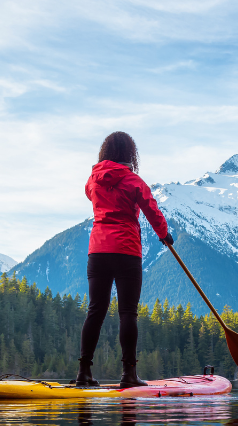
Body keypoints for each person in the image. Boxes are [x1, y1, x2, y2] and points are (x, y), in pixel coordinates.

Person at [75, 131, 173, 388]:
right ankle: (128, 374)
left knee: (95, 310)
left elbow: (91, 194)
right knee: (127, 312)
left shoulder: (92, 181)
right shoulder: (134, 181)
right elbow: (151, 208)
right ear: (130, 155)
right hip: (127, 249)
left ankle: (84, 372)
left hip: (97, 250)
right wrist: (164, 235)